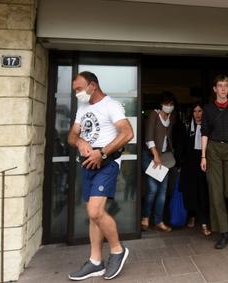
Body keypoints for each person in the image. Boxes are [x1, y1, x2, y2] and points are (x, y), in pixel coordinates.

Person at [67, 71, 134, 281]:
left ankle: (117, 250)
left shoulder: (111, 105)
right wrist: (80, 142)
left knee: (95, 211)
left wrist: (102, 152)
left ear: (92, 85)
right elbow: (72, 135)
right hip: (88, 163)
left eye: (79, 89)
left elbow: (127, 133)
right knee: (92, 213)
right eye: (75, 90)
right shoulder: (83, 107)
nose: (77, 93)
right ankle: (95, 261)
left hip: (107, 162)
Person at [200, 75, 228, 249]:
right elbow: (204, 133)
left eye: (226, 86)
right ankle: (224, 232)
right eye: (220, 86)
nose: (223, 89)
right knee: (215, 192)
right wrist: (203, 156)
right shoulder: (208, 109)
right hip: (213, 150)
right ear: (215, 89)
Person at [142, 91, 178, 233]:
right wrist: (155, 154)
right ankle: (145, 217)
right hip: (150, 156)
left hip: (164, 158)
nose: (169, 106)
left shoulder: (171, 118)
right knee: (153, 189)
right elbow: (149, 137)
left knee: (162, 191)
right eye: (166, 104)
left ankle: (158, 221)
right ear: (161, 104)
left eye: (171, 104)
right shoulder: (153, 115)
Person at [180, 102, 212, 236]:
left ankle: (204, 222)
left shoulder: (209, 127)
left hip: (204, 165)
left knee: (203, 193)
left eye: (200, 111)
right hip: (189, 167)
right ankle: (192, 215)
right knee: (191, 192)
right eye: (195, 111)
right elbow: (181, 148)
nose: (198, 114)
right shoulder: (187, 127)